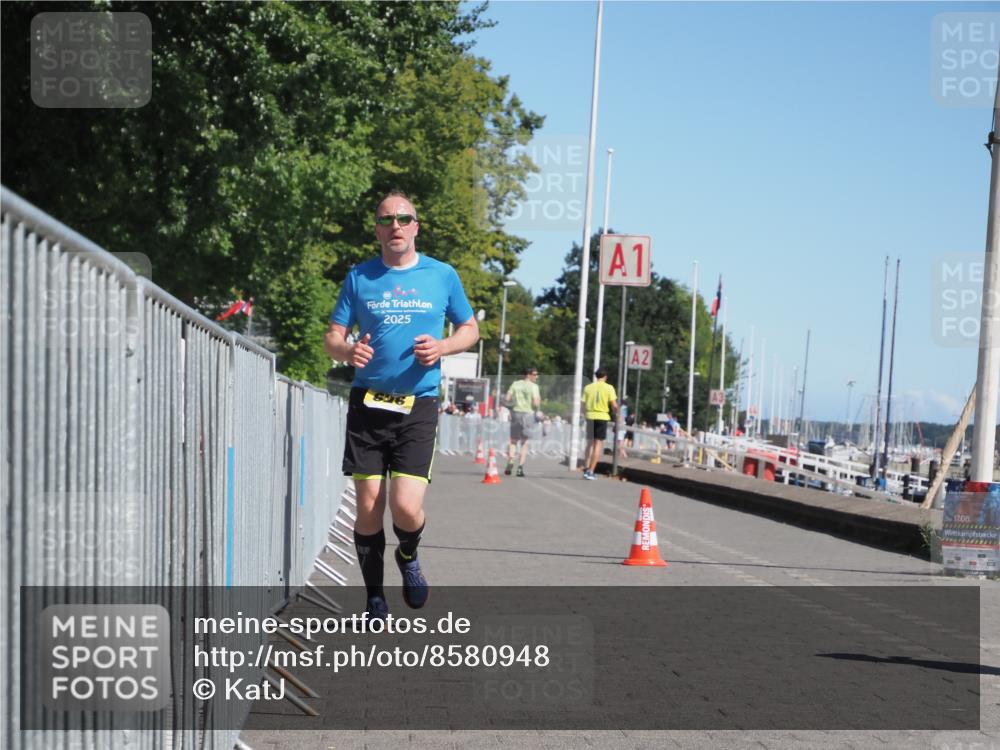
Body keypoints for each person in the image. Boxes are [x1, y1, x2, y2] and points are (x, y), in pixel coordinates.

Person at [324, 190, 479, 620]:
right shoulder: (360, 277)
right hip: (368, 404)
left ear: (416, 227)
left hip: (419, 405)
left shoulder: (441, 275)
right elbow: (333, 337)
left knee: (406, 507)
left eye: (403, 218)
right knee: (369, 506)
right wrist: (347, 352)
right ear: (377, 229)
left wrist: (445, 345)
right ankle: (375, 599)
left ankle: (409, 555)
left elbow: (470, 327)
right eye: (386, 219)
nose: (395, 225)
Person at [581, 368, 618, 480]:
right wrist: (616, 416)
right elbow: (614, 405)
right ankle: (591, 471)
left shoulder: (588, 387)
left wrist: (585, 413)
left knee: (589, 443)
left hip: (590, 416)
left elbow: (582, 404)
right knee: (598, 444)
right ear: (605, 376)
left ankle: (586, 466)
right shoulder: (609, 388)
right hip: (602, 416)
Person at [504, 367, 541, 477]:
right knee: (524, 443)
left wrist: (512, 406)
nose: (536, 377)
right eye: (534, 374)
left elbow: (507, 398)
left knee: (513, 440)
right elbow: (535, 403)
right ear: (528, 375)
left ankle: (511, 460)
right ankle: (520, 468)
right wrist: (538, 403)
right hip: (528, 414)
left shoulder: (515, 384)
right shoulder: (534, 387)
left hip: (516, 413)